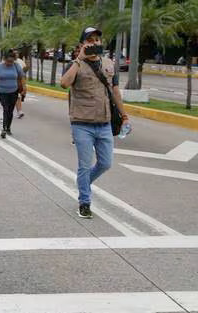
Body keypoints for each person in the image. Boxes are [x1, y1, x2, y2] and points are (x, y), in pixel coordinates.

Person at [60, 27, 129, 219]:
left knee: (106, 163)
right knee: (84, 165)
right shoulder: (76, 64)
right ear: (83, 44)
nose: (94, 43)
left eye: (97, 39)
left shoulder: (108, 64)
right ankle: (85, 202)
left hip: (105, 123)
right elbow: (64, 83)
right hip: (82, 123)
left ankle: (83, 183)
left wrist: (124, 115)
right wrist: (79, 59)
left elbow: (115, 91)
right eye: (90, 40)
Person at [0, 50, 26, 138]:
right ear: (4, 59)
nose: (9, 63)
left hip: (14, 91)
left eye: (11, 61)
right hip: (2, 92)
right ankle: (4, 129)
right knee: (5, 108)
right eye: (8, 61)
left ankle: (8, 127)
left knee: (10, 110)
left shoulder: (16, 66)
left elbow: (21, 77)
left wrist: (24, 87)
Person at [14, 50, 28, 119]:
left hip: (19, 81)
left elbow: (24, 70)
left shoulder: (20, 61)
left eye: (17, 53)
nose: (16, 54)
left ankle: (19, 111)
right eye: (15, 53)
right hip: (11, 81)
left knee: (17, 96)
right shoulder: (8, 61)